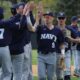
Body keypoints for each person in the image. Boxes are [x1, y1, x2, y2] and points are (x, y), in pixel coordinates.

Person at [21, 4, 65, 80]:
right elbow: (31, 29)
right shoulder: (40, 28)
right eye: (45, 17)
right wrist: (28, 17)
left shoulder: (58, 31)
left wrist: (62, 54)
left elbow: (61, 43)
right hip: (41, 56)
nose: (47, 18)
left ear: (53, 18)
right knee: (42, 77)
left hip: (52, 56)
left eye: (49, 16)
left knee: (51, 77)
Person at [56, 12, 79, 80]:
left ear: (65, 19)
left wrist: (71, 39)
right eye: (60, 18)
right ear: (57, 19)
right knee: (58, 74)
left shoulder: (69, 28)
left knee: (67, 72)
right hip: (57, 53)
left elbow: (78, 39)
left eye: (62, 18)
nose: (61, 20)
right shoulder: (54, 28)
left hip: (67, 52)